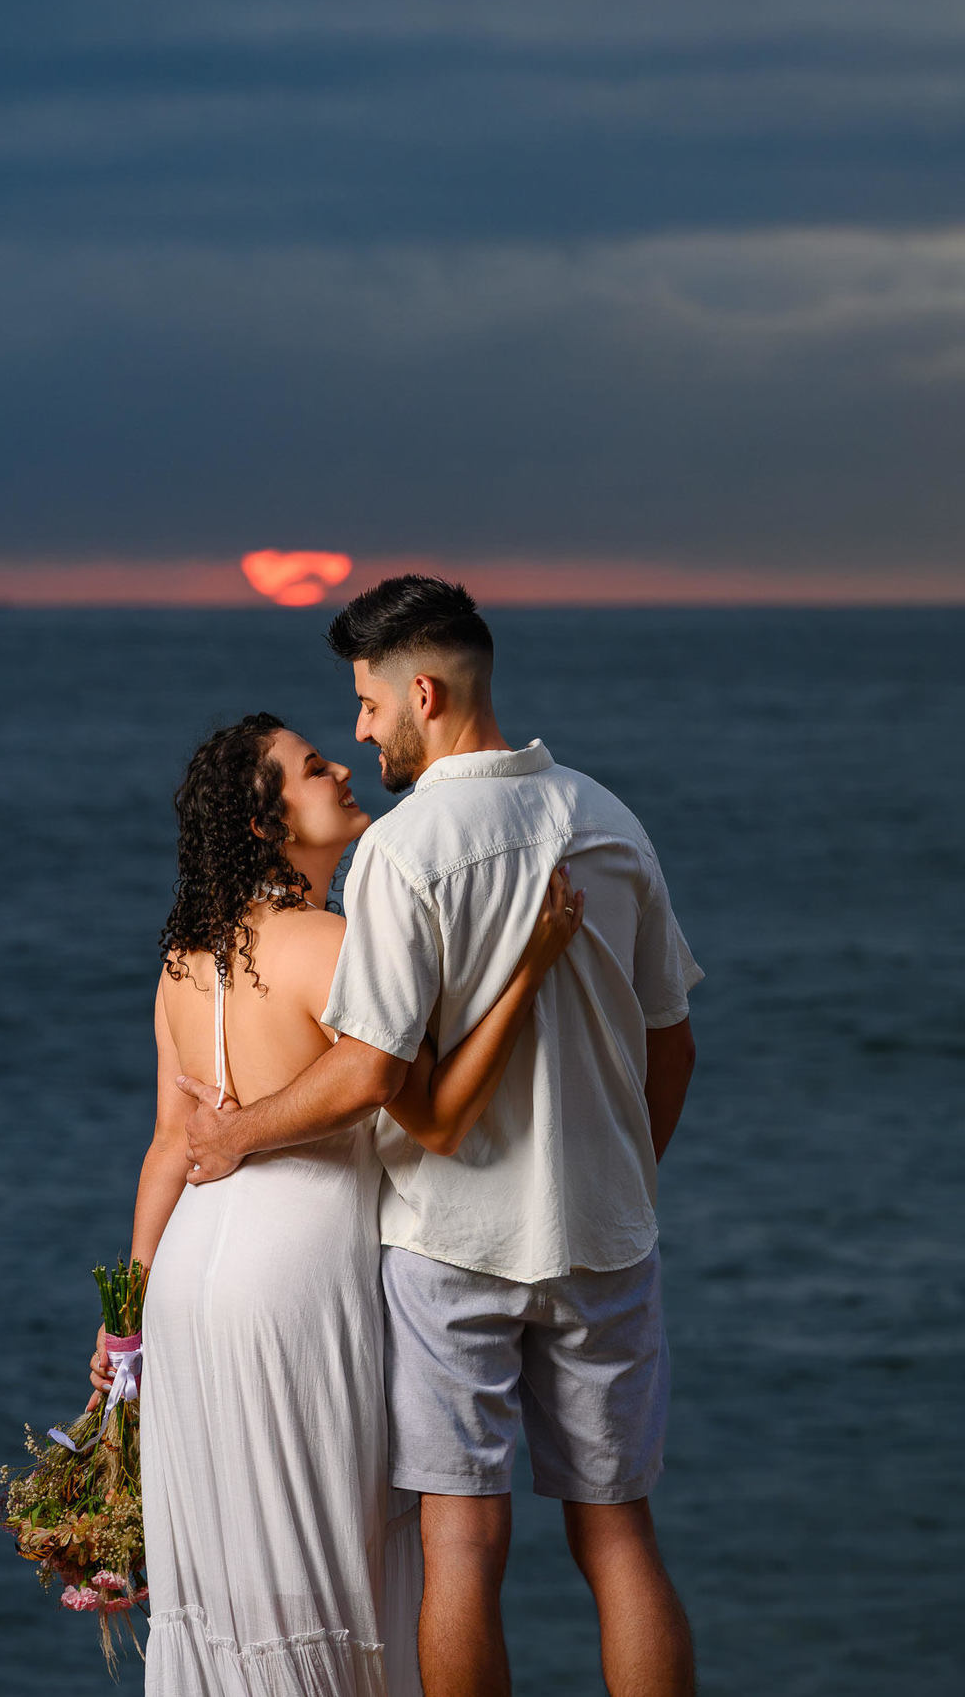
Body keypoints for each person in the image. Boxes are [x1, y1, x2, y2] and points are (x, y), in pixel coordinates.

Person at [182, 577, 703, 1697]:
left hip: (450, 1240)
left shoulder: (404, 851)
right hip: (605, 1238)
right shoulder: (612, 823)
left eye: (369, 706)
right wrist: (625, 1178)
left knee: (462, 1543)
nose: (363, 732)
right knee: (619, 1536)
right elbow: (675, 1046)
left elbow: (372, 1070)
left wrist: (236, 1137)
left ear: (423, 693)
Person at [89, 710, 584, 1696]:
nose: (343, 773)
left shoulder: (185, 960)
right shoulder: (332, 943)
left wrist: (125, 1321)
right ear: (266, 822)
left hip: (191, 1277)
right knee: (322, 1546)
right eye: (314, 769)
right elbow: (437, 1113)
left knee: (236, 1565)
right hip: (299, 1274)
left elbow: (167, 1147)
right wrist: (528, 967)